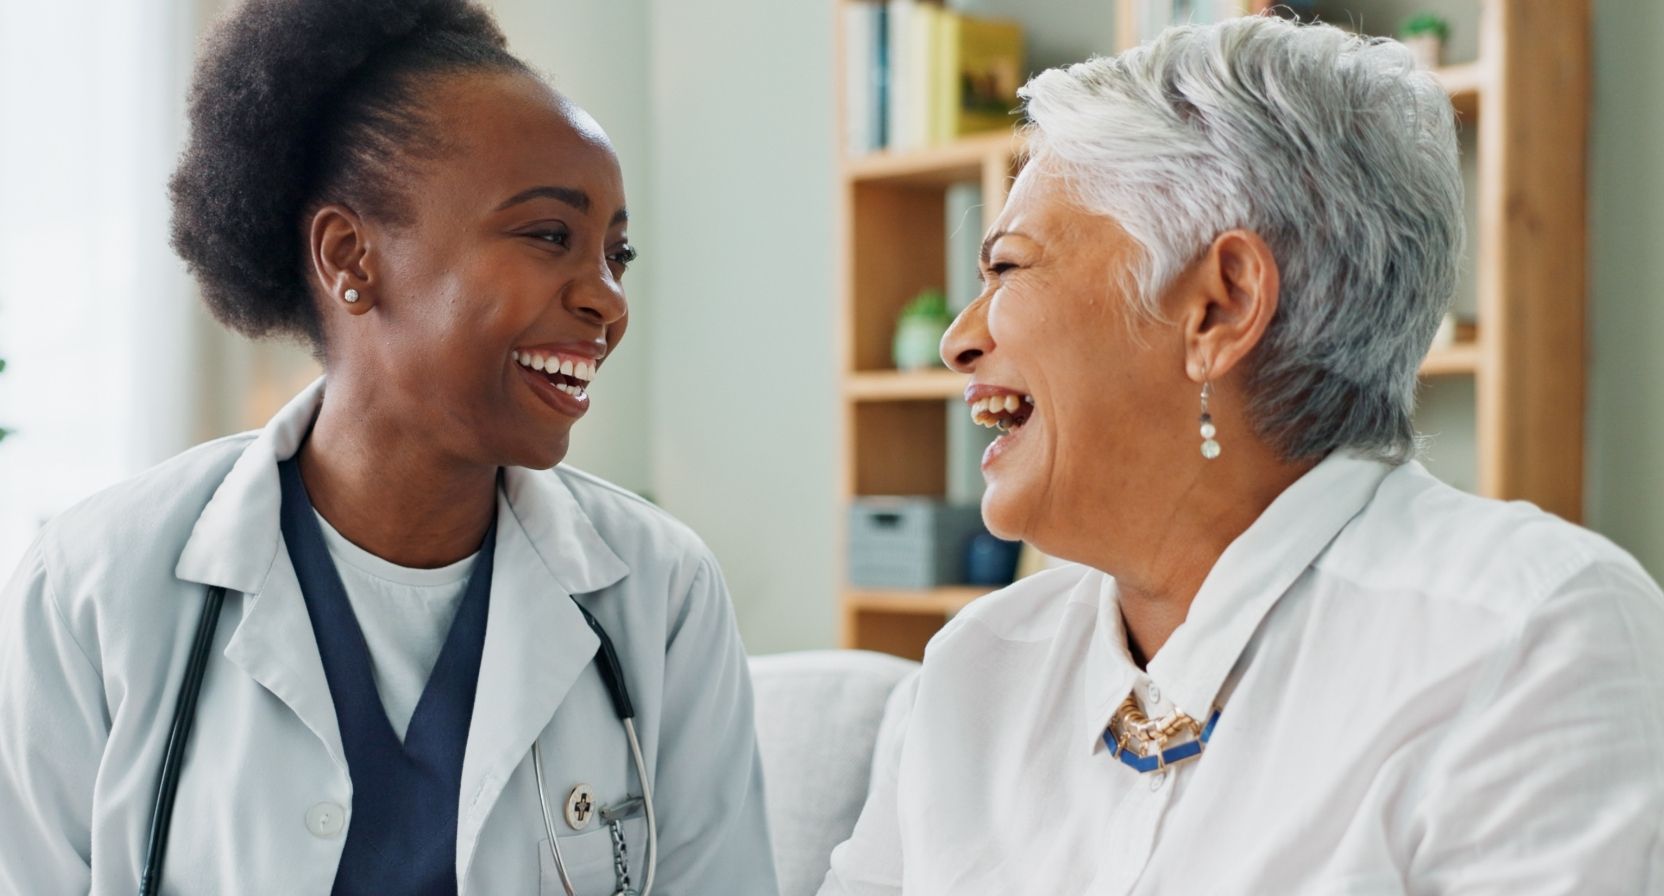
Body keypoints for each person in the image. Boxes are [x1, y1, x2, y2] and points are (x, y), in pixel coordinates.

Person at [821, 15, 1664, 895]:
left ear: (1220, 308)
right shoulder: (977, 666)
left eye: (1009, 268)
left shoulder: (1526, 635)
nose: (960, 339)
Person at [0, 1, 777, 893]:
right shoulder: (91, 587)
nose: (608, 298)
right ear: (349, 257)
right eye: (550, 236)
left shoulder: (661, 591)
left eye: (618, 253)